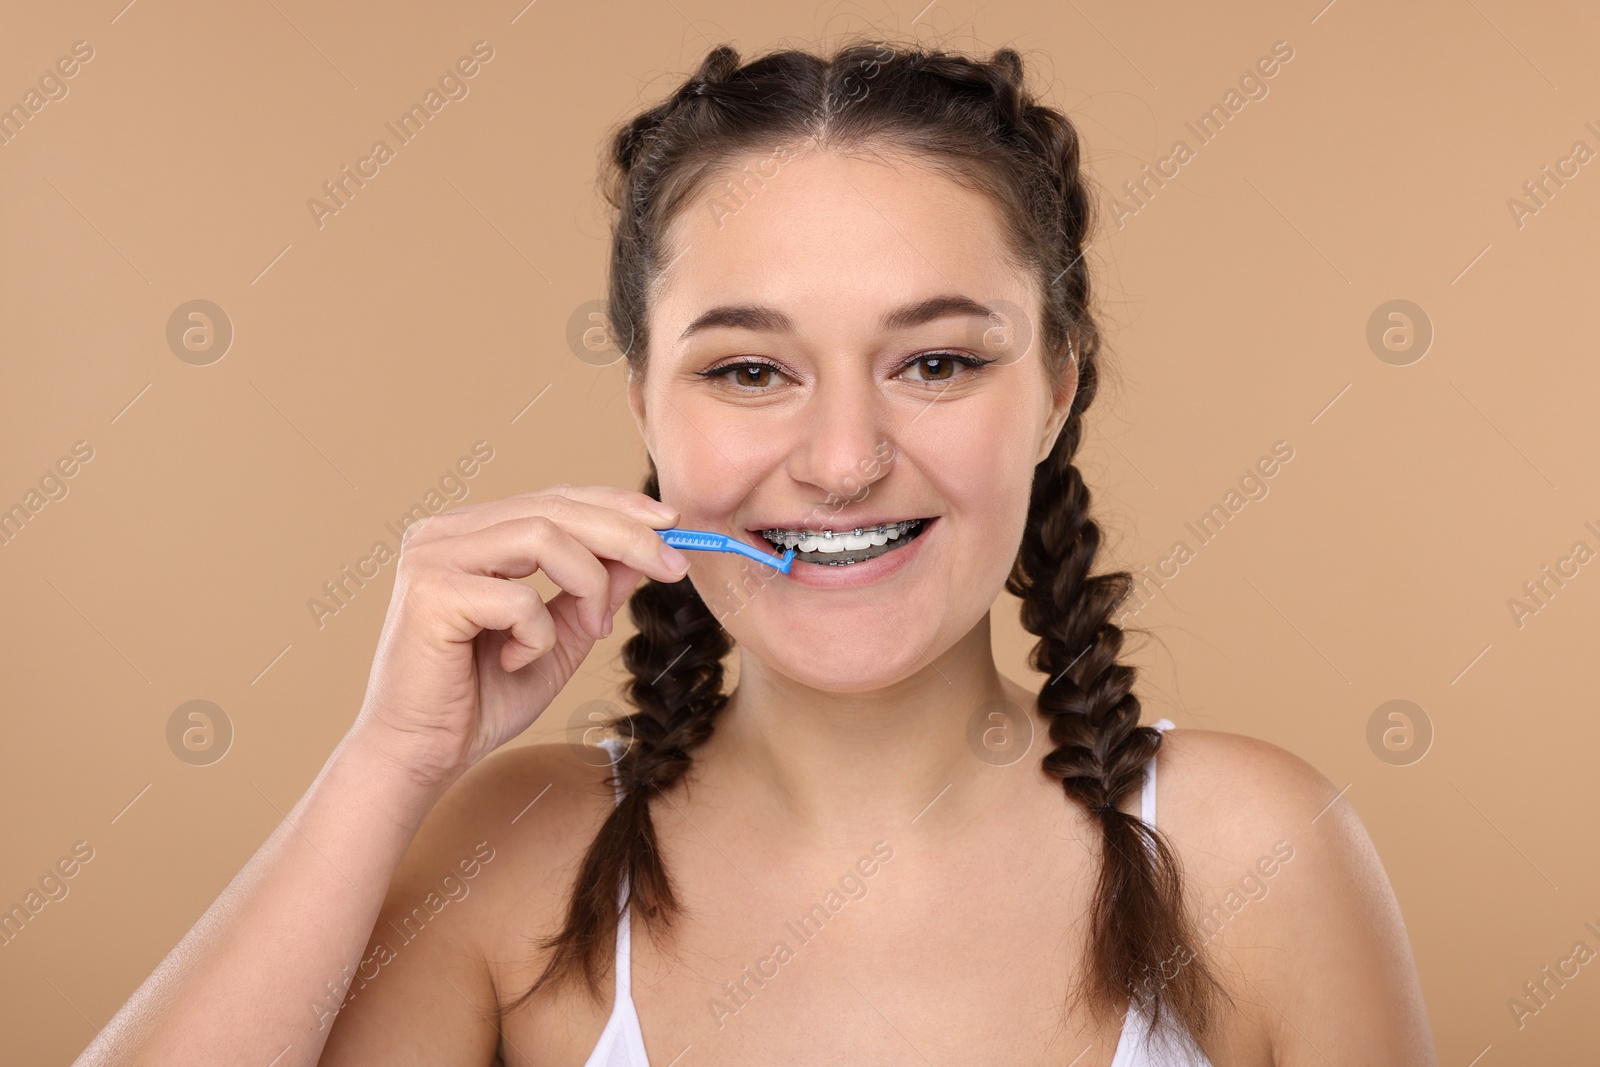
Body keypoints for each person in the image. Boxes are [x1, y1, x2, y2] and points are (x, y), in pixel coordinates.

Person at [79, 39, 1436, 1066]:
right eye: (746, 370)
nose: (843, 458)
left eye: (938, 361)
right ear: (644, 406)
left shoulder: (1252, 854)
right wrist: (385, 765)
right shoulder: (519, 860)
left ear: (1061, 387)